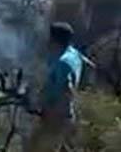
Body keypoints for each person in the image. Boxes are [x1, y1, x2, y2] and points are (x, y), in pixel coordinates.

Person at [24, 22, 84, 152]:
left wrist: (38, 102)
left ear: (54, 40)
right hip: (68, 114)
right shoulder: (73, 54)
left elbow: (57, 89)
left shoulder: (62, 63)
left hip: (56, 116)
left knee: (35, 147)